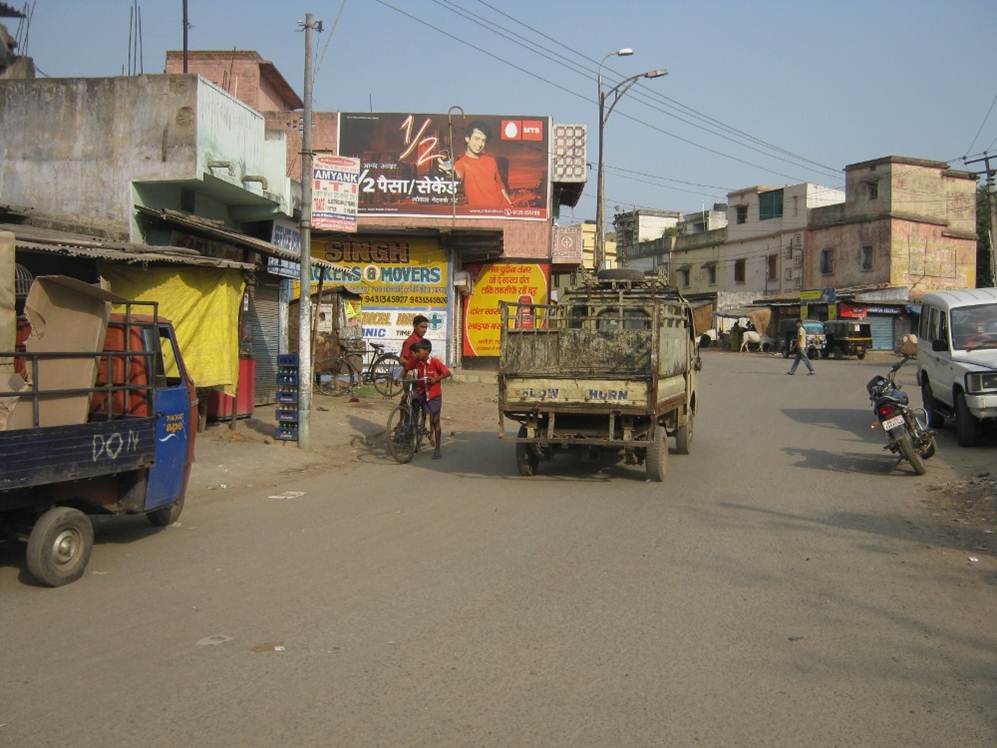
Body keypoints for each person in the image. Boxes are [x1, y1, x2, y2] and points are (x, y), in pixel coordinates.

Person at [405, 339, 451, 459]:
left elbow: (447, 372)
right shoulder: (417, 362)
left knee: (435, 420)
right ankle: (416, 437)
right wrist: (406, 375)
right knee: (409, 402)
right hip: (421, 393)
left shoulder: (435, 362)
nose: (416, 354)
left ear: (426, 351)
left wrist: (436, 379)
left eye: (418, 351)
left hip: (434, 395)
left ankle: (437, 449)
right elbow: (407, 368)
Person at [452, 121, 513, 210]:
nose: (480, 144)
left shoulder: (491, 160)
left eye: (483, 140)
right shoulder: (461, 163)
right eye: (476, 139)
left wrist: (510, 204)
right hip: (483, 213)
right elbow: (457, 176)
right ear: (467, 139)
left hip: (503, 210)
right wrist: (449, 171)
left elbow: (500, 185)